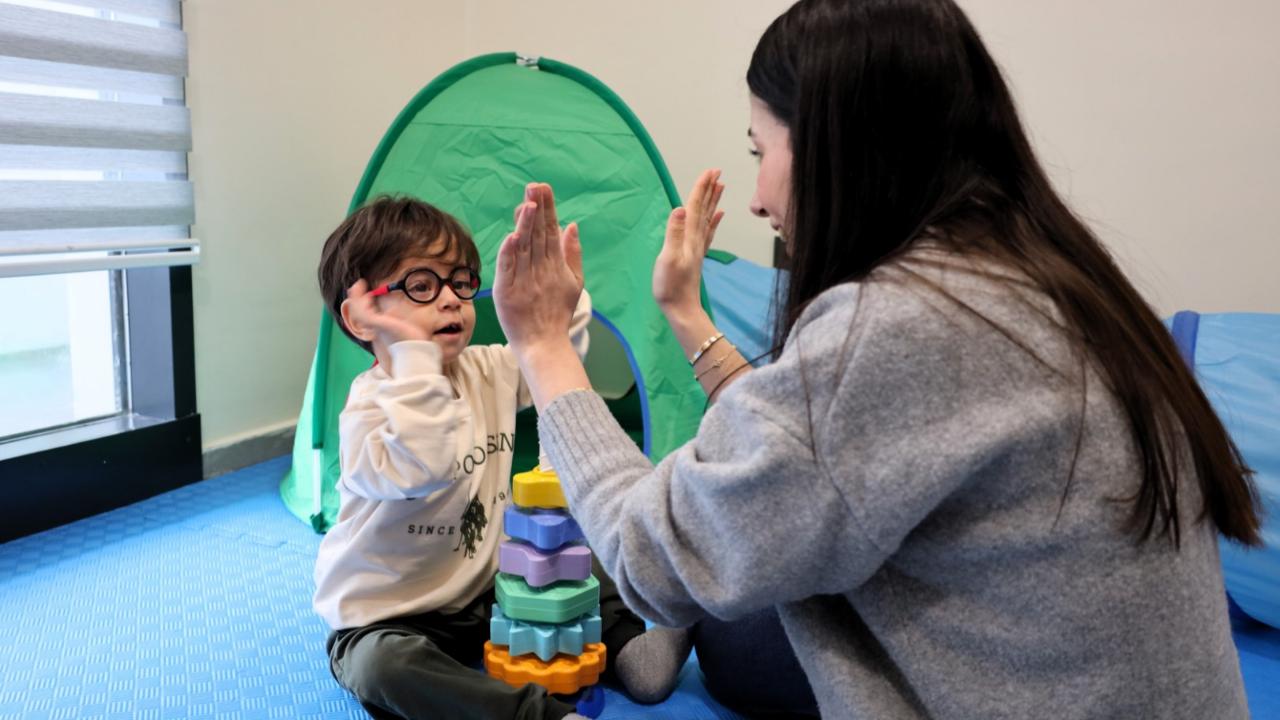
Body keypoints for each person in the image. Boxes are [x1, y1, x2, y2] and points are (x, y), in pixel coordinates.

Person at [488, 0, 1262, 717]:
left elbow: (647, 554)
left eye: (762, 149)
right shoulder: (1049, 277)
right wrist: (687, 314)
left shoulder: (901, 324)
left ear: (834, 147)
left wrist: (542, 344)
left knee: (726, 594)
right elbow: (829, 455)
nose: (757, 198)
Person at [311, 196, 689, 720]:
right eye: (422, 285)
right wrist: (414, 356)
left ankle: (631, 649)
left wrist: (556, 309)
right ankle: (537, 716)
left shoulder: (485, 368)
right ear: (360, 318)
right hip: (387, 617)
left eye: (461, 282)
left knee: (577, 543)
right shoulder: (368, 408)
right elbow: (426, 463)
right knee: (383, 671)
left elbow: (551, 357)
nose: (451, 300)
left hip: (486, 589)